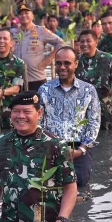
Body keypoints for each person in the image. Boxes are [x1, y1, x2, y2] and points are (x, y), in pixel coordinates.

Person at [0, 91, 77, 222]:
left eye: (27, 111)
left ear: (39, 113)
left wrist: (62, 220)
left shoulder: (55, 145)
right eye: (16, 111)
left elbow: (70, 187)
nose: (21, 116)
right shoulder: (0, 145)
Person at [38, 47, 100, 188]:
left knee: (80, 181)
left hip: (79, 147)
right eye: (59, 63)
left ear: (76, 64)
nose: (62, 67)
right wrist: (50, 146)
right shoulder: (44, 89)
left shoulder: (88, 90)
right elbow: (39, 123)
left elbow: (94, 123)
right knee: (48, 183)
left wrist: (80, 150)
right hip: (51, 147)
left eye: (67, 63)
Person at [76, 29, 112, 129]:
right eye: (82, 41)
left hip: (104, 110)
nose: (85, 44)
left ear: (96, 42)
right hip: (81, 110)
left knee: (108, 139)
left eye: (88, 41)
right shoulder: (75, 60)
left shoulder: (108, 58)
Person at [11, 4, 64, 91]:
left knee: (39, 104)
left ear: (32, 15)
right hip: (17, 81)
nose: (23, 15)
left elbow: (61, 43)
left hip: (37, 79)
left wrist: (48, 60)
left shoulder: (41, 31)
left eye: (26, 13)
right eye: (21, 14)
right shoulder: (13, 33)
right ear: (18, 17)